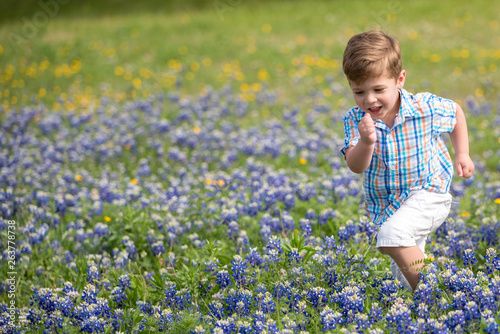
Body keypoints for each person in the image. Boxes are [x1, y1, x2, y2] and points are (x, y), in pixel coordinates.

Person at [340, 30, 474, 291]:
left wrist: (462, 153)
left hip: (429, 193)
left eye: (378, 89)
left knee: (390, 236)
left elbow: (455, 112)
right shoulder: (355, 120)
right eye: (359, 92)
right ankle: (435, 302)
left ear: (399, 79)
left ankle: (438, 295)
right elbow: (356, 166)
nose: (369, 99)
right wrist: (366, 142)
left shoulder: (424, 107)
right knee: (404, 281)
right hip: (391, 205)